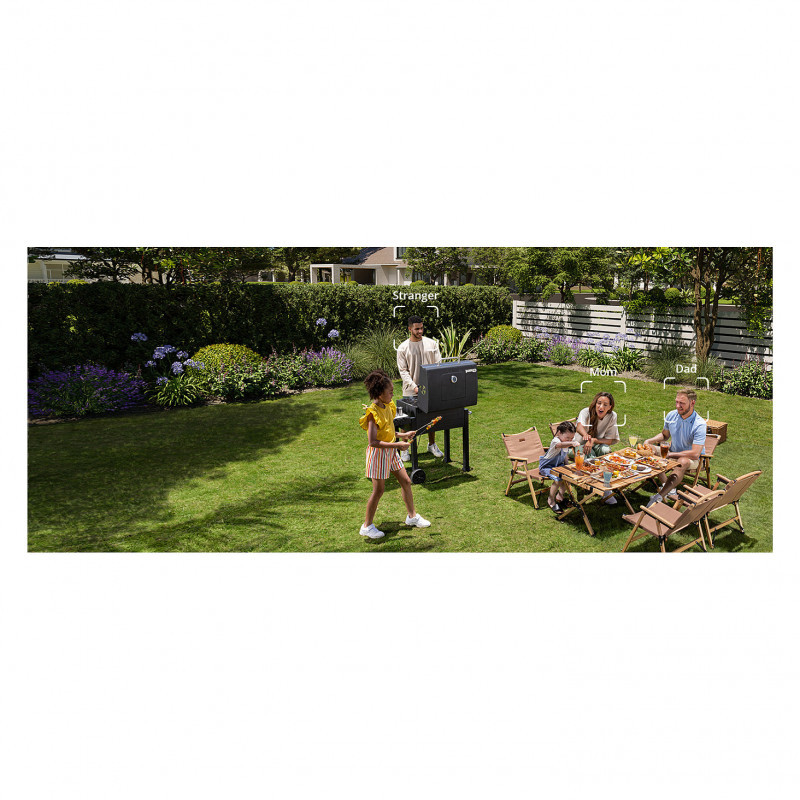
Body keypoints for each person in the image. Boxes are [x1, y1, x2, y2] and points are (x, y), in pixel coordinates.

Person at [358, 369, 431, 539]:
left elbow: (388, 431)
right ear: (379, 393)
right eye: (390, 391)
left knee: (406, 481)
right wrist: (397, 444)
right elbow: (373, 441)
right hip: (378, 454)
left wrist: (402, 435)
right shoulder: (373, 413)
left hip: (391, 451)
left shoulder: (389, 406)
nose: (392, 394)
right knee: (379, 490)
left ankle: (412, 517)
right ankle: (366, 526)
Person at [643, 388, 706, 508]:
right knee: (649, 449)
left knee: (682, 461)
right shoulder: (671, 415)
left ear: (692, 403)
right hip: (672, 452)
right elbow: (665, 435)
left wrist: (670, 455)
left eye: (682, 403)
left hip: (692, 459)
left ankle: (659, 496)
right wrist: (650, 441)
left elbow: (695, 453)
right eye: (677, 402)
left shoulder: (699, 424)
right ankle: (668, 487)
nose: (678, 406)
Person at [396, 315, 443, 461]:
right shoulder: (403, 348)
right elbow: (403, 371)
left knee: (431, 418)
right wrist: (414, 387)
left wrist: (432, 385)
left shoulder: (432, 344)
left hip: (430, 389)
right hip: (410, 391)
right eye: (417, 329)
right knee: (406, 421)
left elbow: (438, 365)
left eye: (421, 328)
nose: (420, 331)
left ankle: (432, 444)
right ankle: (404, 449)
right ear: (410, 329)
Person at [574, 391, 620, 505]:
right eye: (599, 403)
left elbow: (609, 440)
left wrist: (593, 440)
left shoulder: (612, 416)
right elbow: (579, 426)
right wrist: (586, 436)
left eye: (605, 405)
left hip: (596, 444)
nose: (601, 407)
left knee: (606, 450)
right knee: (591, 456)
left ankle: (605, 483)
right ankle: (599, 487)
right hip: (578, 447)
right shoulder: (586, 412)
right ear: (595, 403)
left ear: (610, 407)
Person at [539, 420, 577, 513]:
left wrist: (568, 466)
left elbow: (564, 456)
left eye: (572, 438)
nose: (569, 440)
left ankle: (560, 496)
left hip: (558, 466)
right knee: (558, 478)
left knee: (569, 476)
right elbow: (560, 445)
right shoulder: (556, 441)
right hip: (547, 467)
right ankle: (551, 499)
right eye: (567, 438)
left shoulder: (566, 442)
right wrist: (572, 443)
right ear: (559, 433)